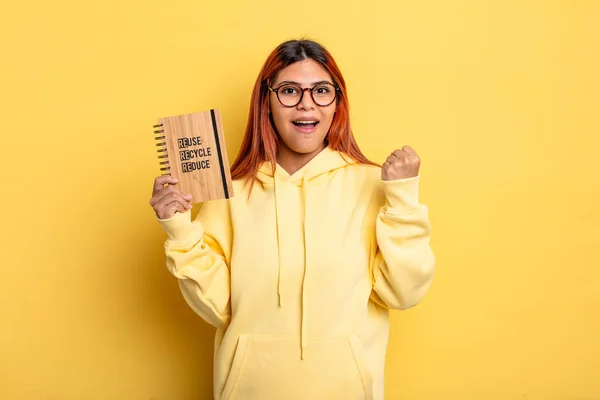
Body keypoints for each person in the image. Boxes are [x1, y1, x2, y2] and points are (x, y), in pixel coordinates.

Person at [150, 39, 435, 400]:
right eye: (289, 90)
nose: (306, 104)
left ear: (337, 104)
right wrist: (179, 229)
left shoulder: (375, 185)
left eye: (321, 91)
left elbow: (405, 292)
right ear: (266, 102)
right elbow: (216, 307)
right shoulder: (232, 192)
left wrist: (404, 199)